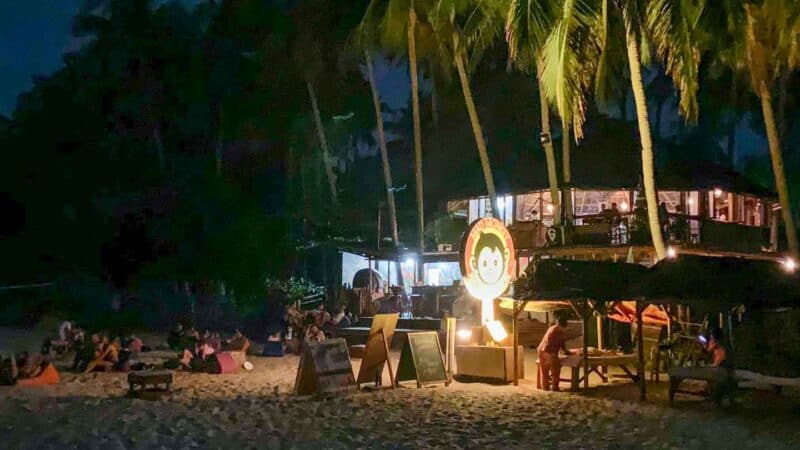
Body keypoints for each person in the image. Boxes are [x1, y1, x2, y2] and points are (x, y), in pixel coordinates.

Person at [537, 317, 573, 391]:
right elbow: (551, 345)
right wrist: (555, 355)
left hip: (542, 350)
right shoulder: (555, 331)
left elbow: (562, 347)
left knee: (545, 370)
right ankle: (554, 387)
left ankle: (546, 387)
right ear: (561, 326)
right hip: (547, 351)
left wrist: (567, 352)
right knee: (555, 368)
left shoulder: (554, 329)